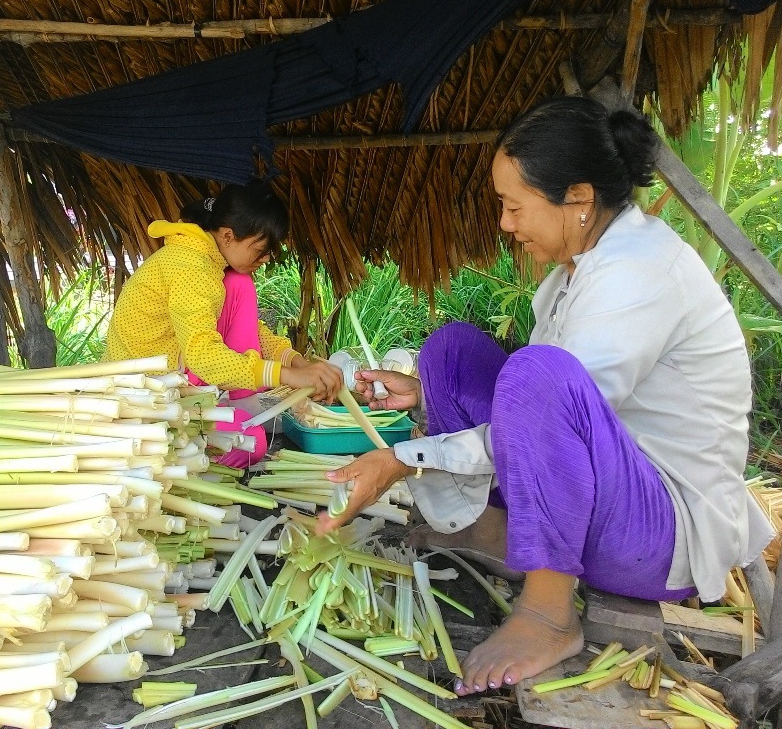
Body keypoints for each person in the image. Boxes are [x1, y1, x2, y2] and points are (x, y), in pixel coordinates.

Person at [315, 96, 775, 694]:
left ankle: (547, 613)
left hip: (655, 533)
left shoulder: (639, 274)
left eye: (514, 206)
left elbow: (550, 398)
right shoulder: (581, 265)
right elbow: (547, 410)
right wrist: (425, 394)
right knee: (450, 353)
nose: (505, 223)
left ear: (578, 201)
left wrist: (405, 459)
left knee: (536, 374)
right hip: (605, 490)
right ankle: (492, 530)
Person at [105, 182, 342, 465]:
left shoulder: (206, 261)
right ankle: (194, 452)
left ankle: (240, 402)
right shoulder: (192, 268)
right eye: (261, 248)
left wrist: (294, 361)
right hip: (145, 395)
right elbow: (202, 355)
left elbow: (251, 329)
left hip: (176, 372)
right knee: (252, 443)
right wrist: (286, 376)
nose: (265, 259)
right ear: (228, 236)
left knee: (239, 285)